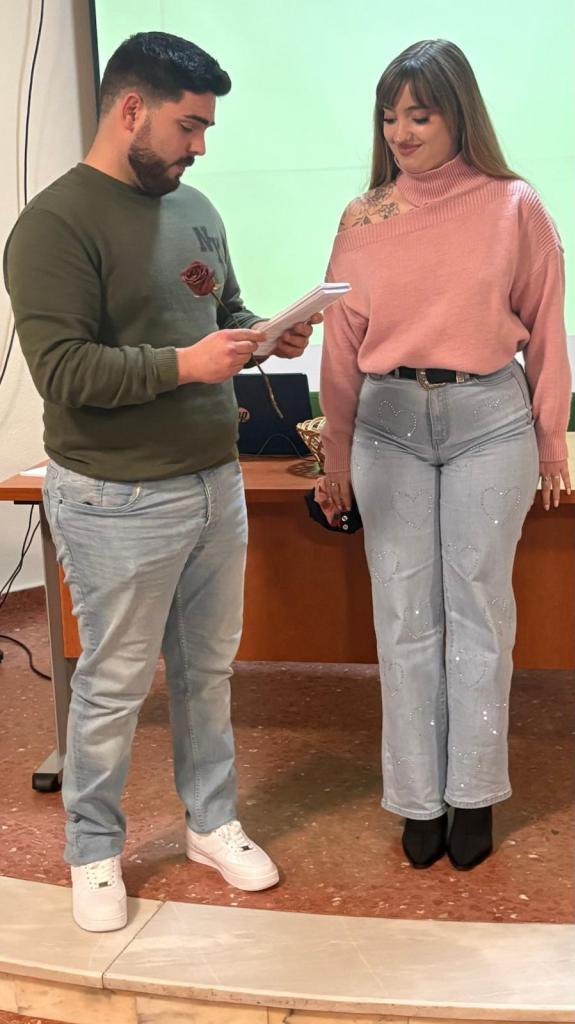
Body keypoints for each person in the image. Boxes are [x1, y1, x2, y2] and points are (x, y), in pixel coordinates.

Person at [4, 31, 318, 931]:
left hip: (216, 481)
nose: (201, 146)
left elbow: (222, 310)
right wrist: (186, 365)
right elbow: (64, 371)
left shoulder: (197, 207)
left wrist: (268, 335)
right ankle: (92, 849)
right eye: (190, 126)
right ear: (131, 109)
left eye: (207, 128)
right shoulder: (54, 225)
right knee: (113, 684)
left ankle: (210, 823)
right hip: (117, 497)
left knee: (208, 671)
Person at [316, 39, 571, 871]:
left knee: (478, 612)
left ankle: (475, 792)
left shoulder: (513, 204)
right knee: (403, 616)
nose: (401, 131)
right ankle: (418, 797)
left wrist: (551, 434)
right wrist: (335, 453)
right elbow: (341, 346)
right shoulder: (363, 217)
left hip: (488, 421)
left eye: (420, 115)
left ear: (459, 115)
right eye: (390, 116)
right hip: (388, 423)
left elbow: (547, 325)